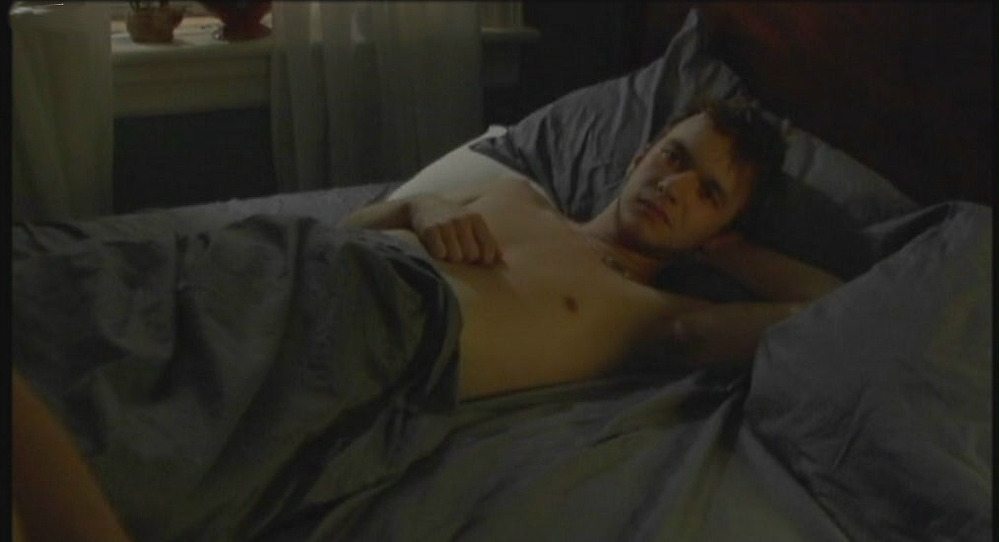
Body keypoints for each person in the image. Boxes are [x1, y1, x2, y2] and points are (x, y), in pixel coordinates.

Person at [341, 98, 844, 399]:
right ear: (639, 157)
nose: (673, 188)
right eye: (674, 157)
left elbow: (834, 310)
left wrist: (728, 251)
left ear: (721, 230)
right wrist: (419, 206)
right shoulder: (516, 193)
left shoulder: (657, 315)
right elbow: (346, 228)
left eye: (708, 193)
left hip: (374, 351)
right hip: (329, 265)